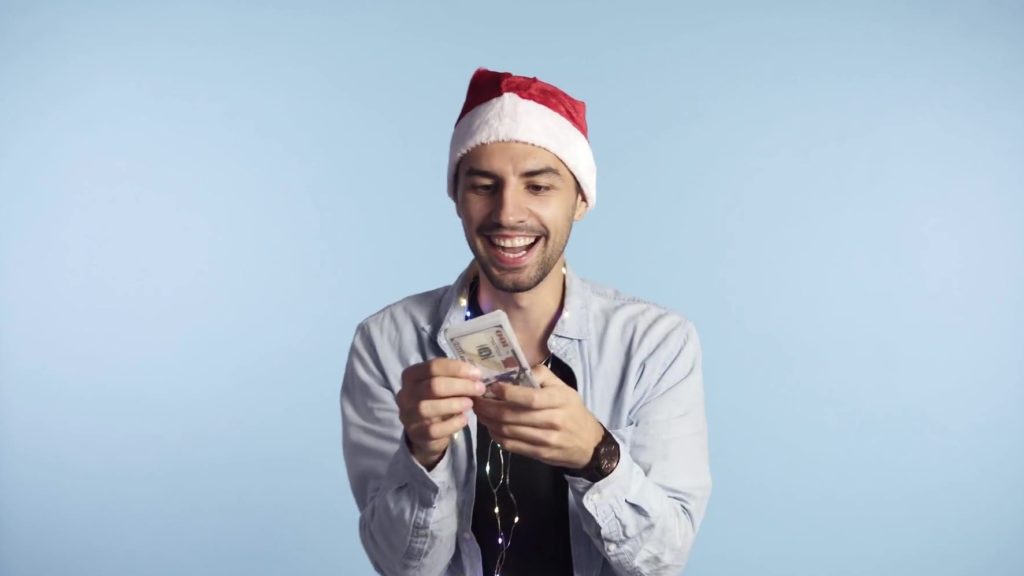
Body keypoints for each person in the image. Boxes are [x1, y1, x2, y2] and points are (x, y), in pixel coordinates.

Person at [341, 68, 711, 576]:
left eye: (539, 186)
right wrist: (422, 454)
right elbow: (401, 567)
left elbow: (664, 561)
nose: (508, 213)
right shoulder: (387, 343)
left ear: (580, 200)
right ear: (456, 197)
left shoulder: (655, 344)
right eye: (484, 186)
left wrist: (595, 454)